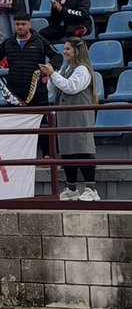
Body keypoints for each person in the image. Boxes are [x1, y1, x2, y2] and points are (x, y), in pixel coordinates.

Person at [42, 38, 99, 201]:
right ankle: (71, 187)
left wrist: (52, 74)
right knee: (67, 151)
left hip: (79, 114)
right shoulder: (65, 68)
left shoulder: (82, 70)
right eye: (64, 49)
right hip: (65, 114)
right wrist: (51, 76)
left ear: (76, 51)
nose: (65, 51)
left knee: (83, 149)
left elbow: (71, 87)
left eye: (68, 49)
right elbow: (52, 90)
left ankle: (91, 188)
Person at [0, 15, 53, 107]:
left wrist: (50, 66)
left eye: (23, 24)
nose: (20, 26)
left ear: (29, 25)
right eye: (17, 24)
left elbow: (57, 56)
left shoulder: (40, 42)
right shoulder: (8, 43)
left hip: (37, 90)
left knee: (40, 120)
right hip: (14, 92)